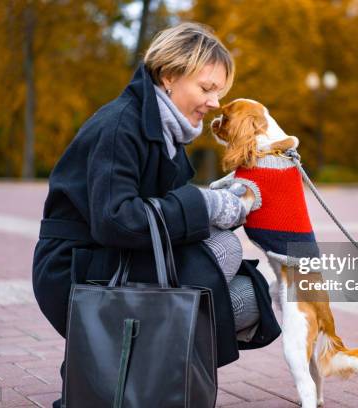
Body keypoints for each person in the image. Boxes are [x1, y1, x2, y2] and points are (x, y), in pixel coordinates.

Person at [32, 22, 281, 407]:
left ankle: (140, 374)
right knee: (225, 251)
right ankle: (109, 369)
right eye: (206, 88)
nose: (215, 102)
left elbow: (162, 214)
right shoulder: (120, 125)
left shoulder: (167, 132)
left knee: (249, 297)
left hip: (117, 258)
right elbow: (116, 219)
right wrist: (207, 206)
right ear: (168, 76)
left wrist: (218, 201)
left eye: (220, 91)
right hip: (76, 268)